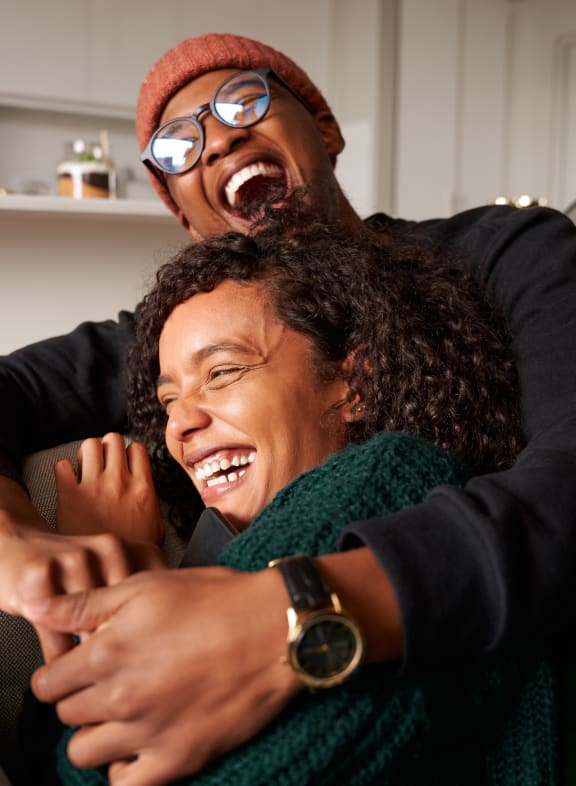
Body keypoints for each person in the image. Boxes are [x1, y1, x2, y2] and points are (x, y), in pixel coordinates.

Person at [0, 30, 574, 786]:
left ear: (325, 130)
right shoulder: (177, 330)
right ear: (179, 211)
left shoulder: (504, 250)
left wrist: (289, 615)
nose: (217, 140)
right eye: (177, 146)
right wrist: (17, 546)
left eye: (245, 98)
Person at [43, 217, 556, 786]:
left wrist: (109, 576)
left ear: (353, 382)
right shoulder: (246, 540)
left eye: (223, 371)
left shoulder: (390, 481)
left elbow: (86, 765)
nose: (180, 424)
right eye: (168, 402)